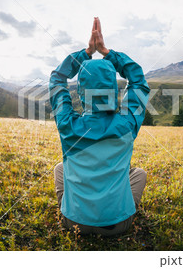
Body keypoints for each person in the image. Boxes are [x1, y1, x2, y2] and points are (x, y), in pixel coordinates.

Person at [50, 17, 150, 236]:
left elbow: (57, 79)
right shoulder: (126, 123)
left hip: (73, 222)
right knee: (138, 173)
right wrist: (107, 52)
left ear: (80, 92)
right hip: (118, 225)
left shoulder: (68, 124)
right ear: (114, 91)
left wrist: (86, 53)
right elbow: (140, 83)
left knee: (60, 168)